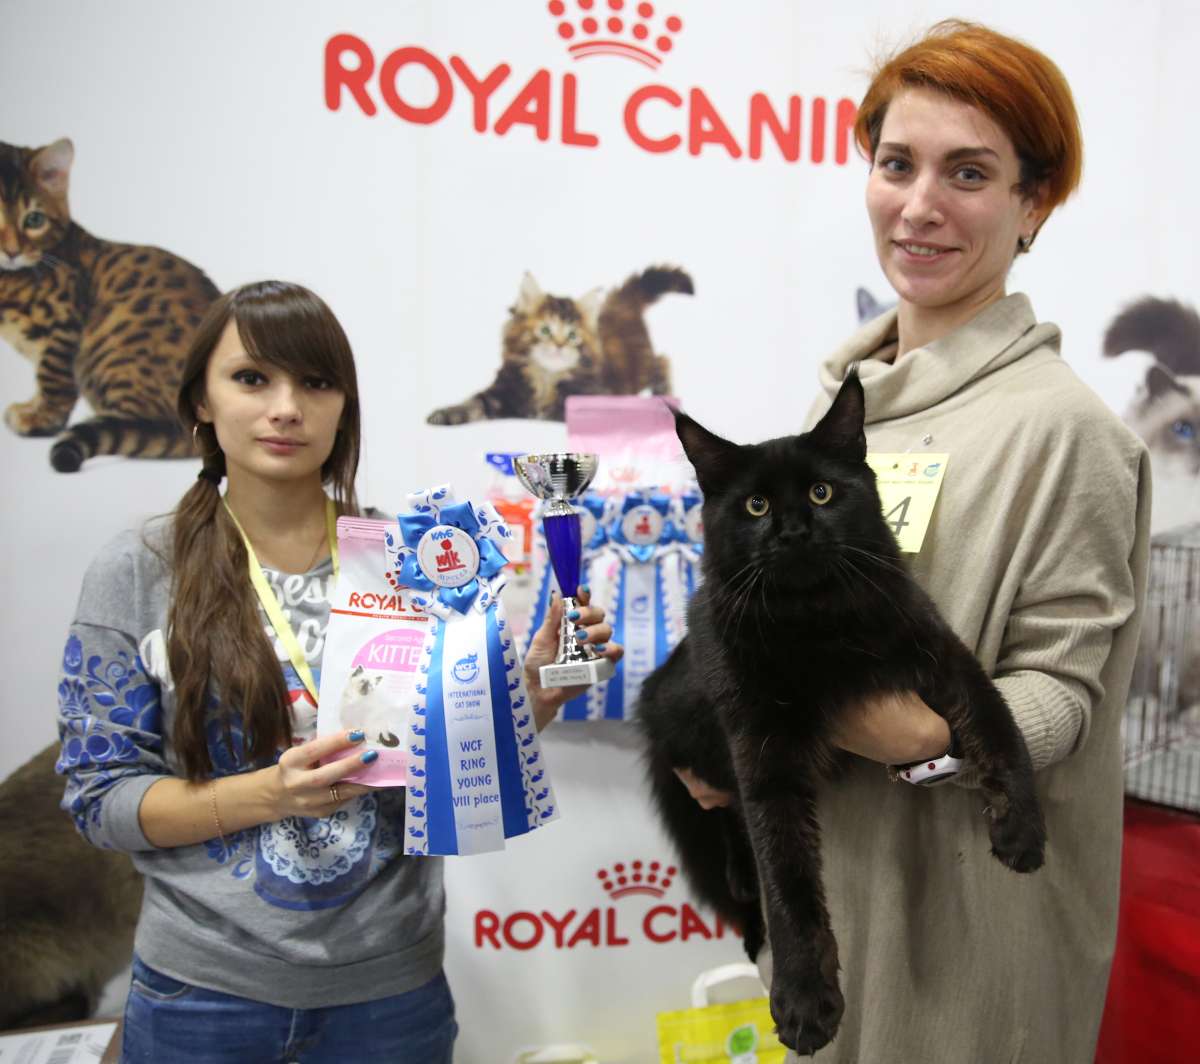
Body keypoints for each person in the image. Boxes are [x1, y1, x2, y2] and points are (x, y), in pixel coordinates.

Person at [676, 20, 1150, 1064]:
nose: (920, 205)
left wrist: (899, 730)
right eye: (897, 164)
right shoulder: (844, 408)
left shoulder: (1066, 431)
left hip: (969, 942)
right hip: (835, 921)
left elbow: (1067, 695)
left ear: (1034, 203)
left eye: (968, 173)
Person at [54, 280, 620, 1063]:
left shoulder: (414, 560)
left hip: (389, 999)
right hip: (202, 999)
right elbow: (99, 798)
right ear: (202, 402)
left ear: (343, 407)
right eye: (252, 378)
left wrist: (534, 690)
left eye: (316, 382)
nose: (287, 408)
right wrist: (269, 794)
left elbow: (450, 759)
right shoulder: (139, 568)